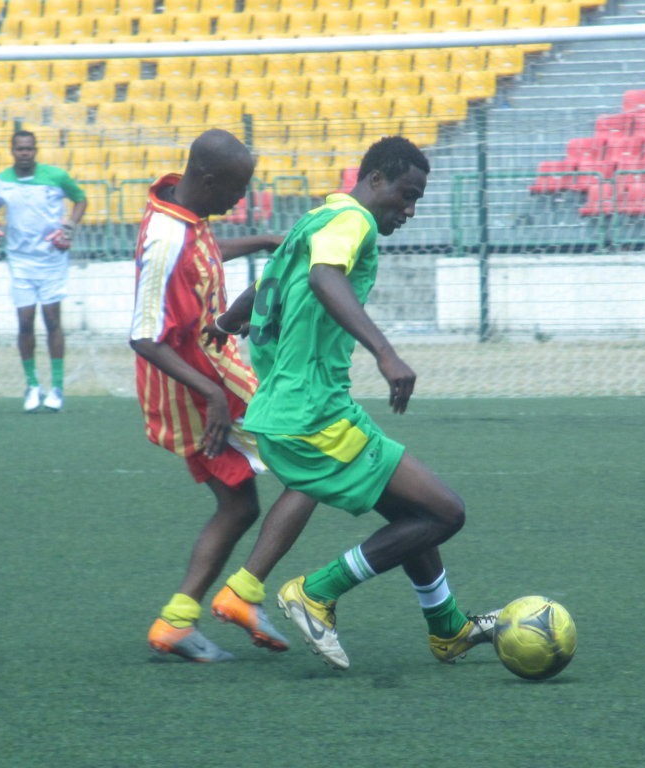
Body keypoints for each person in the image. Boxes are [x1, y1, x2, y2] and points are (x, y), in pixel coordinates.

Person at [216, 136, 496, 670]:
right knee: (446, 512)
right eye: (405, 194)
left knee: (413, 513)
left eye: (417, 200)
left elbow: (273, 278)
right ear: (374, 181)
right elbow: (324, 276)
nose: (409, 210)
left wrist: (227, 321)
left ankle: (448, 628)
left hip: (287, 409)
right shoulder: (354, 223)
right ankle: (316, 592)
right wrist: (386, 354)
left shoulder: (314, 219)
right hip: (314, 413)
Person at [129, 129, 318, 663]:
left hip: (211, 375)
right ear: (208, 180)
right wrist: (211, 394)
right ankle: (243, 593)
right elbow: (143, 334)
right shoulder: (165, 241)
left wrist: (260, 243)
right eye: (236, 190)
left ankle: (175, 623)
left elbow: (204, 258)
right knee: (320, 458)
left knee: (239, 506)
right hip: (203, 386)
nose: (241, 200)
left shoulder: (186, 216)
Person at [0, 129, 88, 413]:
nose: (24, 153)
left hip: (52, 259)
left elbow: (80, 199)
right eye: (19, 149)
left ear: (35, 150)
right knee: (25, 322)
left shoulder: (55, 176)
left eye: (29, 148)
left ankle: (57, 388)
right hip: (19, 260)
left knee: (53, 321)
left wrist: (69, 226)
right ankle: (31, 385)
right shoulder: (0, 181)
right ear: (12, 150)